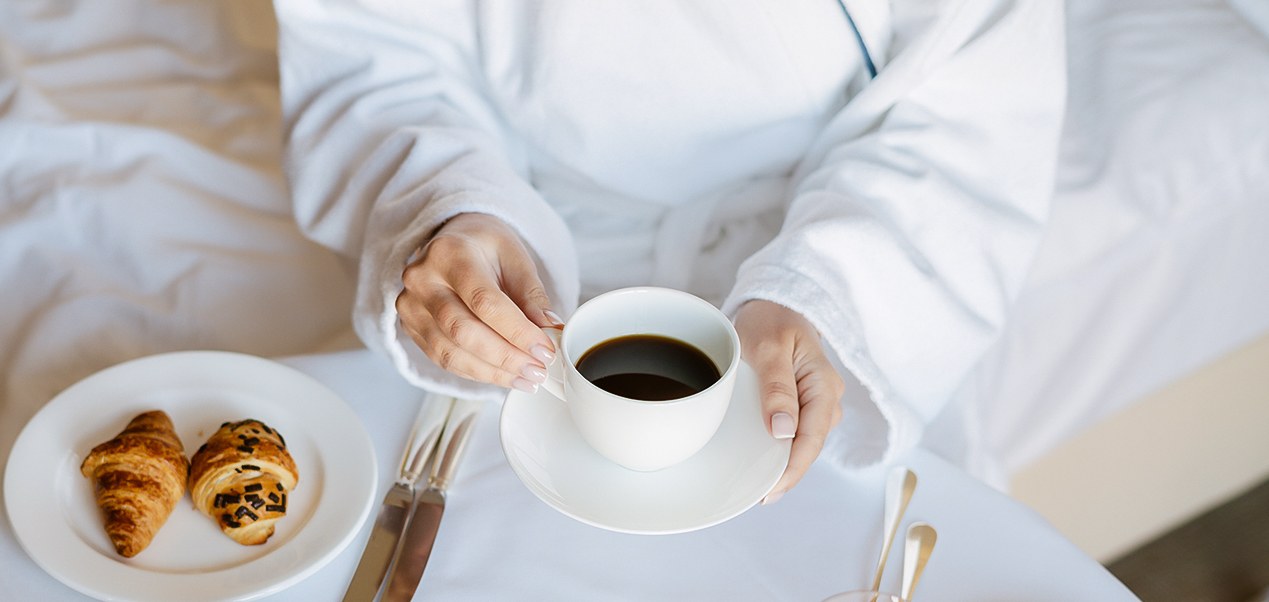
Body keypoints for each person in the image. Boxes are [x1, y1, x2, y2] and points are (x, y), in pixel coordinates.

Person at [274, 0, 1065, 501]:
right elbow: (373, 54)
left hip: (836, 254)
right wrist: (452, 209)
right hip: (530, 237)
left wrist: (818, 293)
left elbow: (974, 103)